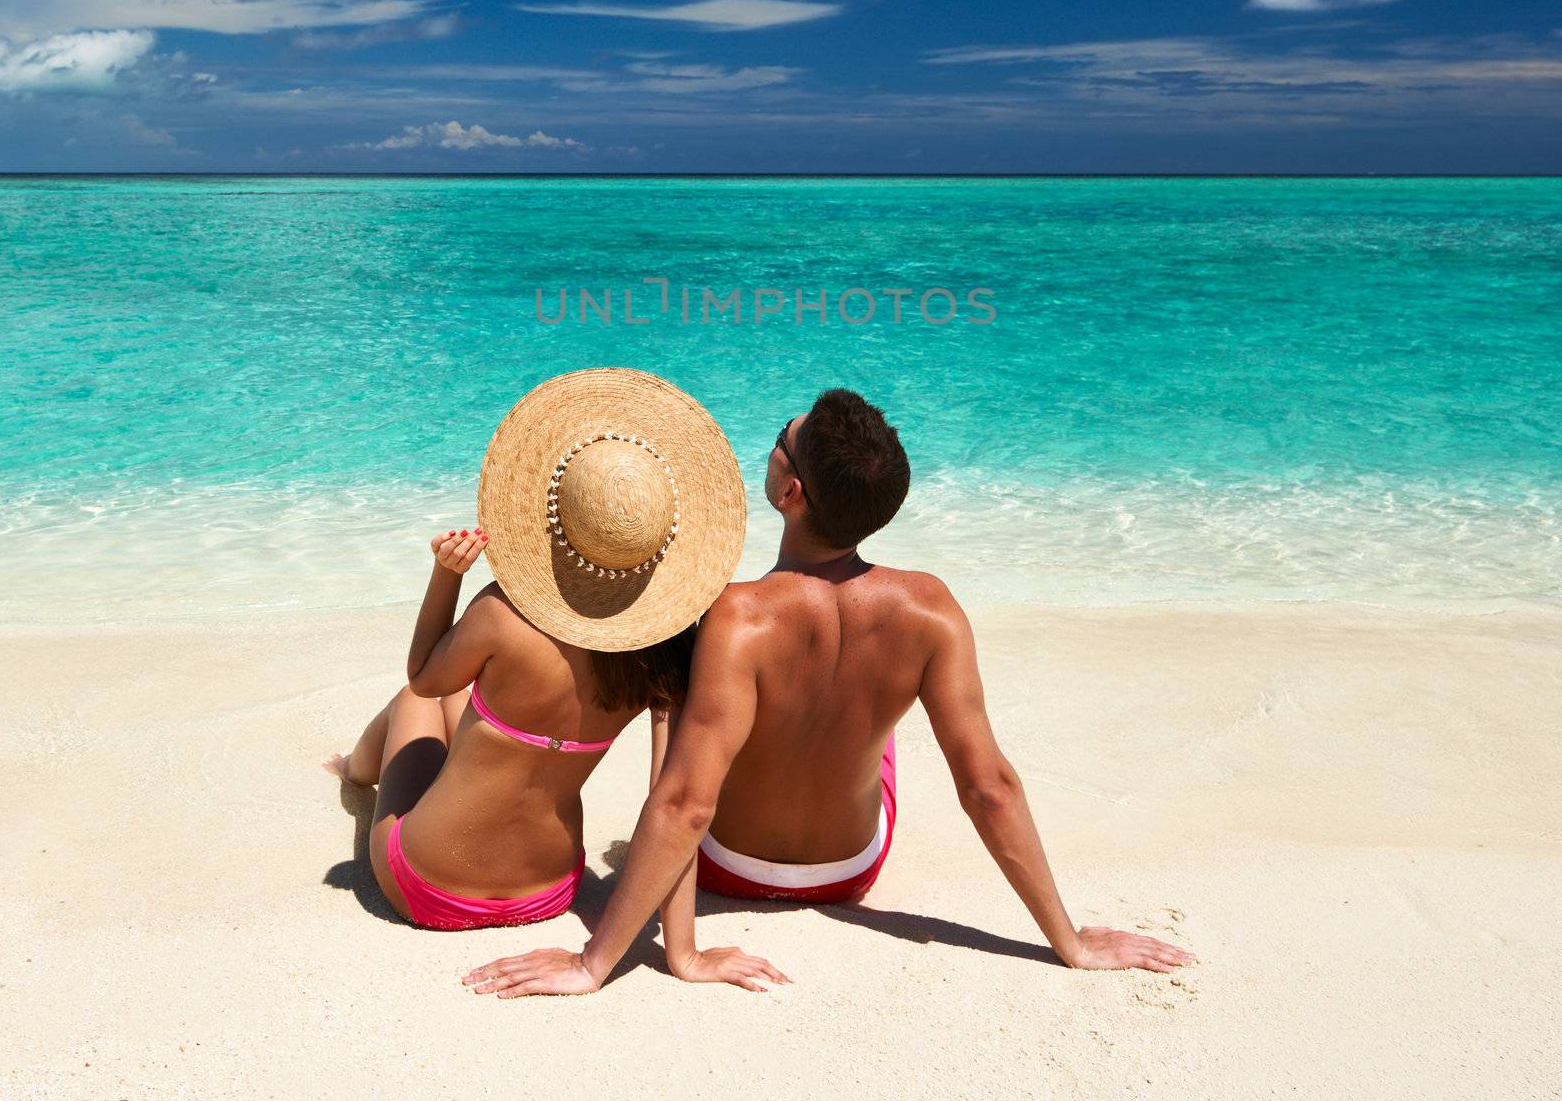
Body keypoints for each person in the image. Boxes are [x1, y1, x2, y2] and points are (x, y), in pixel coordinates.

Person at [465, 387, 1197, 998]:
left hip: (730, 865)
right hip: (853, 870)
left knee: (696, 708)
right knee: (872, 725)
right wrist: (1068, 940)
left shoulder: (734, 617)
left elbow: (685, 801)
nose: (777, 439)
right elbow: (989, 787)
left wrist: (597, 962)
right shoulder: (932, 609)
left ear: (789, 493)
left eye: (780, 438)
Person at [326, 367, 786, 991]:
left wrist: (446, 576)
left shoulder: (501, 614)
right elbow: (674, 804)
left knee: (413, 699)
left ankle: (355, 770)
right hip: (550, 891)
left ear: (554, 517)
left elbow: (426, 676)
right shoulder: (666, 650)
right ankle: (360, 766)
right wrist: (686, 954)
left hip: (428, 887)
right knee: (476, 711)